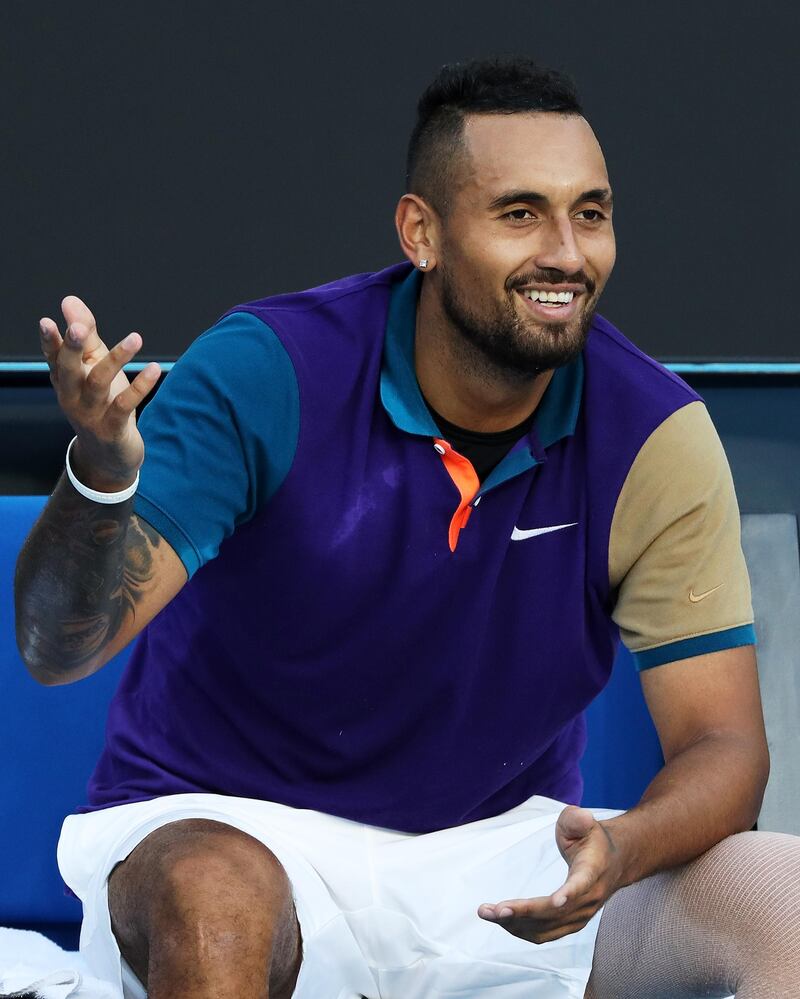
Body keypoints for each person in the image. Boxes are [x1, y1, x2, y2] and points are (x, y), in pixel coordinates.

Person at [15, 57, 800, 999]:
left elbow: (726, 748)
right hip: (234, 832)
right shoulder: (269, 369)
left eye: (590, 213)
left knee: (782, 896)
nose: (566, 252)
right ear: (421, 232)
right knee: (216, 896)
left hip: (497, 863)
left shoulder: (655, 435)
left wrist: (622, 846)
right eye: (520, 213)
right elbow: (58, 650)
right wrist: (101, 477)